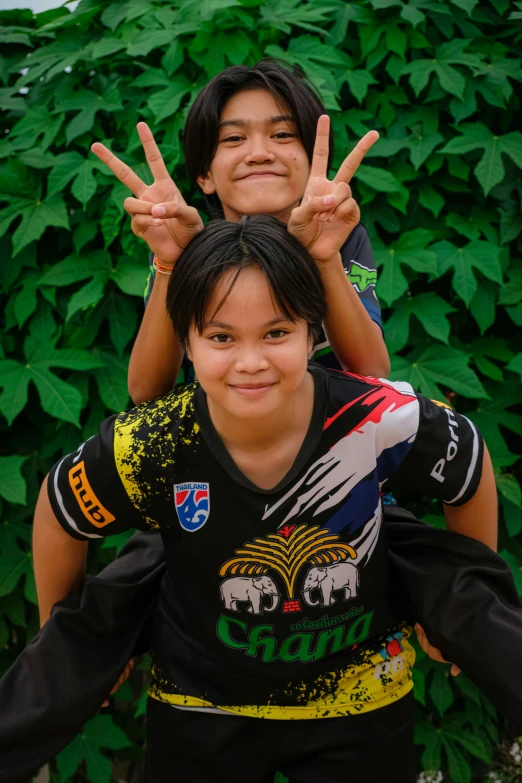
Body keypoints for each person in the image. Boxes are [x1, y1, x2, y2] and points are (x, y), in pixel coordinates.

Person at [34, 216, 497, 783]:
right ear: (186, 341)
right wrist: (70, 642)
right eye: (222, 337)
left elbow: (469, 466)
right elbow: (61, 512)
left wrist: (463, 595)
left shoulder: (377, 418)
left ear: (312, 333)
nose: (250, 361)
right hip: (199, 700)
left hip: (360, 696)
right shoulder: (150, 441)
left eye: (276, 333)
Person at [91, 59, 390, 403]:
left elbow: (372, 373)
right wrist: (172, 263)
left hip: (335, 436)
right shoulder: (184, 248)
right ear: (204, 174)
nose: (260, 153)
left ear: (311, 161)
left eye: (282, 135)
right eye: (234, 138)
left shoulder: (342, 240)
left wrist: (324, 259)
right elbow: (147, 391)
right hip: (217, 440)